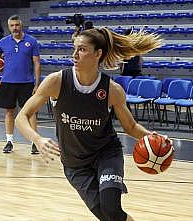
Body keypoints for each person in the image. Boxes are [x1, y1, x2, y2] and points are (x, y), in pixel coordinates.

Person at [15, 28, 170, 221]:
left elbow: (130, 127)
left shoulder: (112, 90)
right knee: (108, 217)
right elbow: (22, 116)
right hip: (75, 164)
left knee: (111, 209)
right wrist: (37, 139)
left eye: (82, 49)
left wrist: (153, 138)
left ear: (98, 54)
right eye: (74, 49)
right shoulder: (57, 81)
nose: (74, 55)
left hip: (105, 154)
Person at [0, 15, 41, 154]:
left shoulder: (31, 41)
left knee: (30, 113)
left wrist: (37, 84)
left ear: (21, 25)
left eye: (17, 25)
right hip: (8, 82)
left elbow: (37, 63)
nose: (15, 28)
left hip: (27, 83)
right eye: (12, 25)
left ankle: (34, 142)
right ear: (9, 27)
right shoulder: (3, 42)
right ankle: (9, 141)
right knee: (9, 112)